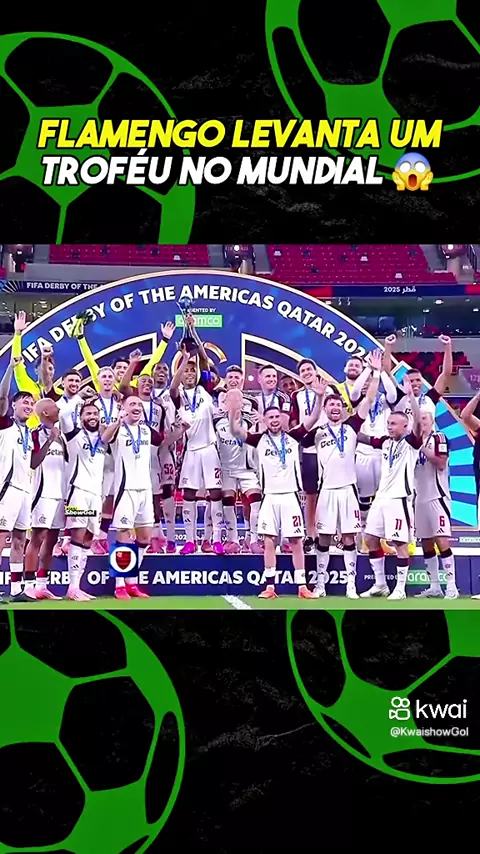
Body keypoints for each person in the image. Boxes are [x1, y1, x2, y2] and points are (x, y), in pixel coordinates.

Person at [291, 351, 383, 599]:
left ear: (343, 409)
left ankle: (351, 585)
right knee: (324, 538)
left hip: (348, 490)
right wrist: (320, 397)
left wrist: (375, 372)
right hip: (327, 491)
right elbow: (298, 435)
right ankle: (320, 585)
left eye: (337, 405)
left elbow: (369, 399)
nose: (334, 408)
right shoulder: (317, 432)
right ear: (325, 408)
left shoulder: (352, 426)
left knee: (349, 537)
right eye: (330, 405)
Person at [229, 395, 317, 600]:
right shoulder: (259, 439)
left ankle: (302, 586)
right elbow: (235, 431)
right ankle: (270, 586)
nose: (275, 420)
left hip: (290, 496)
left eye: (277, 416)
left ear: (283, 418)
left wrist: (320, 396)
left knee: (296, 540)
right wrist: (233, 410)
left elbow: (313, 418)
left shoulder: (294, 436)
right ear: (264, 420)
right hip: (269, 497)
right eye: (270, 417)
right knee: (269, 541)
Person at [361, 376, 423, 600]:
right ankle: (380, 585)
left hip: (399, 499)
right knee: (370, 538)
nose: (389, 426)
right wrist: (345, 425)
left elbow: (418, 422)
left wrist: (411, 397)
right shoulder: (385, 442)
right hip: (381, 498)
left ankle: (400, 589)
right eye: (388, 423)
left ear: (405, 426)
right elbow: (362, 437)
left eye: (393, 423)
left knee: (399, 542)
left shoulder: (412, 443)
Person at [102, 394, 166, 600]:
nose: (137, 407)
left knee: (144, 538)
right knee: (123, 536)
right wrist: (118, 421)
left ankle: (131, 581)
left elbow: (164, 440)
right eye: (132, 404)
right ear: (123, 408)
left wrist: (182, 428)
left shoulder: (146, 430)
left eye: (139, 404)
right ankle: (119, 585)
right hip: (125, 489)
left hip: (145, 489)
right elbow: (104, 439)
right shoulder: (117, 429)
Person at [170, 318, 224, 556]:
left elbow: (203, 360)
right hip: (191, 449)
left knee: (215, 493)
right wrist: (184, 360)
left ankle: (216, 539)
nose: (190, 373)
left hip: (209, 448)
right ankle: (190, 540)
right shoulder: (178, 394)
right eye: (186, 371)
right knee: (189, 494)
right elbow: (173, 387)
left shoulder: (205, 388)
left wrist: (193, 331)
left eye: (193, 370)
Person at [59, 390, 109, 601]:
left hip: (96, 495)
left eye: (95, 414)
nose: (92, 417)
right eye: (88, 414)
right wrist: (79, 398)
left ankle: (77, 586)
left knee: (88, 538)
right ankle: (72, 587)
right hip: (77, 492)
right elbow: (63, 414)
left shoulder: (104, 438)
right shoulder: (73, 435)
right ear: (80, 418)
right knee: (77, 536)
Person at [215, 372, 262, 555]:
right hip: (226, 469)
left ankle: (253, 539)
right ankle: (233, 539)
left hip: (247, 468)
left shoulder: (251, 420)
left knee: (255, 501)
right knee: (228, 502)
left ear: (243, 403)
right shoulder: (216, 421)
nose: (235, 403)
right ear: (225, 403)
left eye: (238, 400)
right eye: (231, 400)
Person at [0, 356, 35, 602]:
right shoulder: (4, 424)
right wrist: (11, 368)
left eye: (31, 403)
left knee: (20, 539)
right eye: (24, 401)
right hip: (7, 489)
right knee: (1, 537)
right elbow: (2, 397)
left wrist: (50, 440)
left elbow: (32, 463)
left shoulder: (30, 433)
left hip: (25, 490)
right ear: (14, 405)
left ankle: (15, 589)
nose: (29, 405)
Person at [413, 411, 458, 599]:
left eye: (425, 418)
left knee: (441, 540)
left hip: (437, 497)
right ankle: (434, 587)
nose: (421, 421)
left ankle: (452, 586)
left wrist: (421, 447)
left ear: (432, 421)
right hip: (419, 499)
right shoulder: (411, 443)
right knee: (426, 542)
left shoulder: (439, 437)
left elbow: (441, 463)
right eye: (418, 419)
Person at [24, 397, 64, 599]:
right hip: (42, 493)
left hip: (60, 494)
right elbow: (33, 462)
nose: (59, 409)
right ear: (45, 413)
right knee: (37, 537)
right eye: (55, 407)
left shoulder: (63, 435)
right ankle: (28, 584)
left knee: (52, 539)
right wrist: (50, 440)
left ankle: (42, 584)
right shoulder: (35, 434)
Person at [383, 333, 453, 427]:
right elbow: (386, 373)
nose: (415, 383)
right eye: (411, 381)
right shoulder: (399, 396)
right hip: (405, 436)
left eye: (418, 380)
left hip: (428, 436)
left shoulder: (430, 398)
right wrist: (388, 346)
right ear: (405, 382)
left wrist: (448, 346)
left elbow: (446, 374)